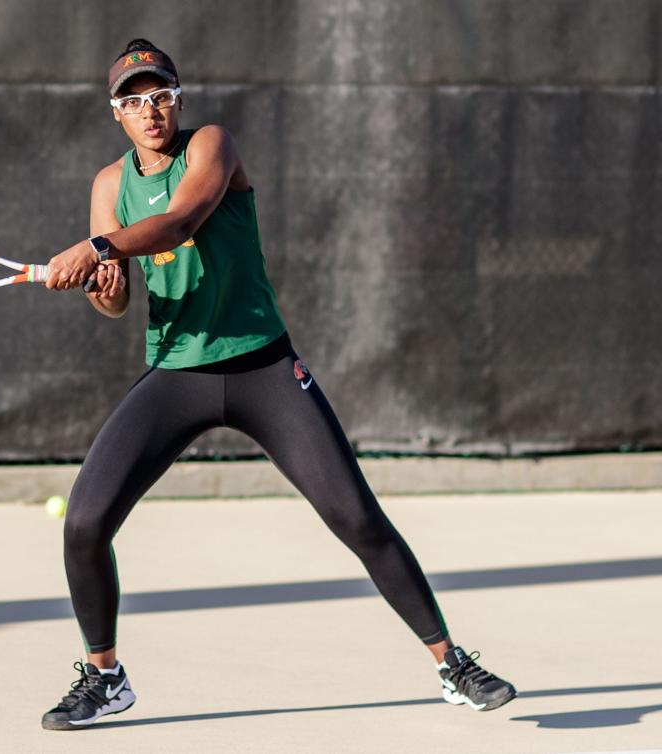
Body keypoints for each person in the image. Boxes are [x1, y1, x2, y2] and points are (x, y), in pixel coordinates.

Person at [39, 39, 516, 731]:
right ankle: (105, 677)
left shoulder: (212, 145)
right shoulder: (109, 186)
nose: (152, 111)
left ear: (179, 98)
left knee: (357, 517)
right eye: (136, 100)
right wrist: (103, 284)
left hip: (263, 365)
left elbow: (180, 220)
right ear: (116, 113)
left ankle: (452, 663)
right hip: (178, 371)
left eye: (162, 95)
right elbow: (113, 302)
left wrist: (100, 248)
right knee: (84, 523)